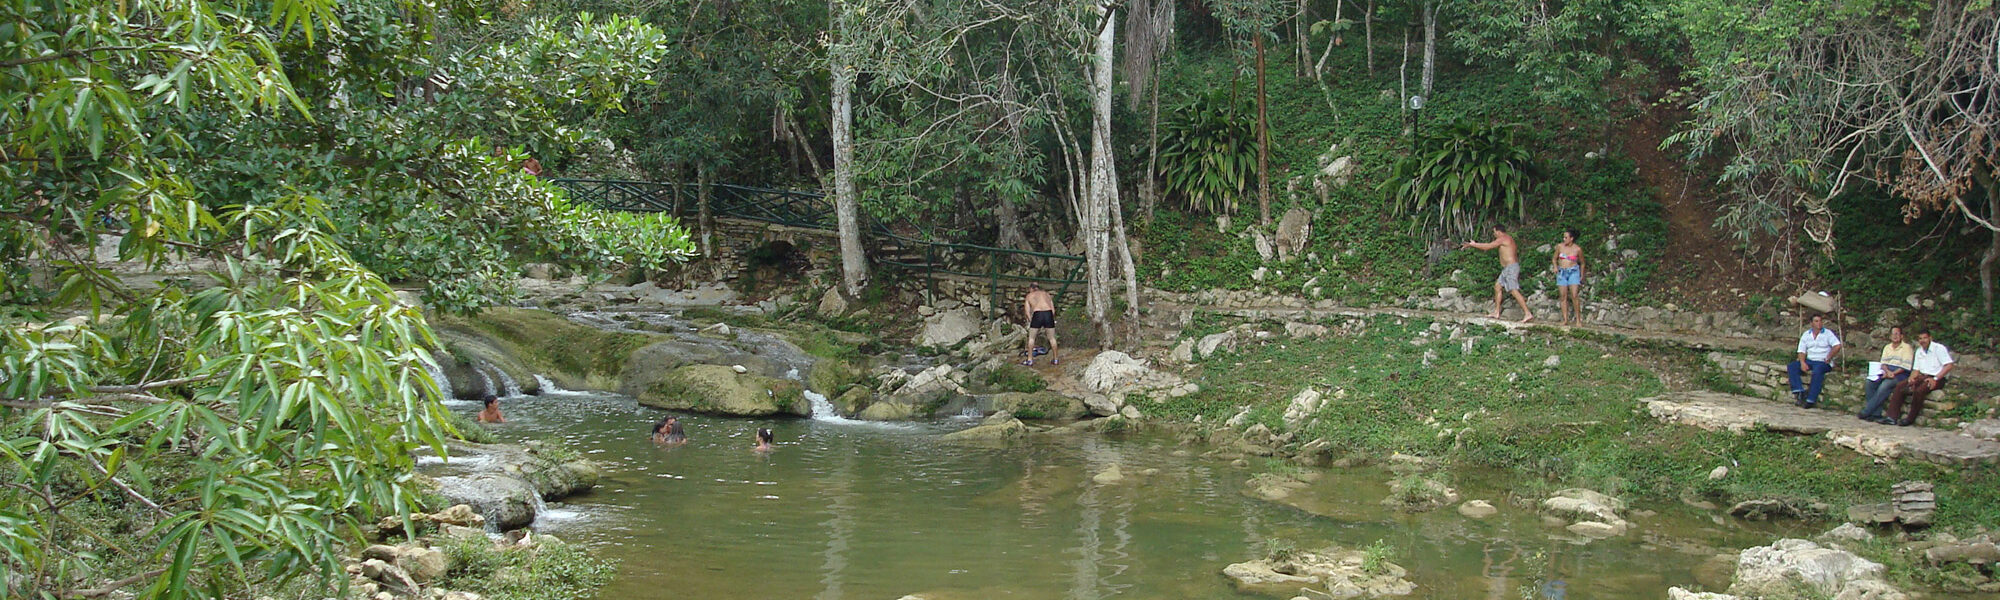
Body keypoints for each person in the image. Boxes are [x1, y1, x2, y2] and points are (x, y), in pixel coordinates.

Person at [1462, 224, 1535, 323]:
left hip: (1511, 268)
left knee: (1513, 290)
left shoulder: (1503, 238)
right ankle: (1496, 312)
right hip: (1506, 269)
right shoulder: (1507, 239)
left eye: (1494, 232)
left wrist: (1473, 244)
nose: (1494, 234)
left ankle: (1527, 313)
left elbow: (1487, 247)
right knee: (1497, 287)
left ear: (1498, 231)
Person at [1884, 330, 1954, 426]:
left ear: (1930, 338)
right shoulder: (1919, 351)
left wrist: (1936, 379)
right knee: (1900, 386)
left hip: (1937, 377)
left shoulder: (1939, 348)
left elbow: (1949, 365)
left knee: (1919, 391)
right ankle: (1891, 417)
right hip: (1923, 376)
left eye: (1925, 338)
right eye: (1920, 338)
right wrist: (1912, 378)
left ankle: (1910, 418)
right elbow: (1916, 369)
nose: (1922, 341)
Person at [1858, 326, 1914, 423]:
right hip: (1887, 371)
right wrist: (1887, 372)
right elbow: (1883, 363)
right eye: (1893, 334)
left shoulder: (1906, 348)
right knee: (1870, 383)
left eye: (1897, 334)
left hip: (1901, 373)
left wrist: (1893, 373)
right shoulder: (1887, 347)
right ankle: (1876, 414)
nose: (1895, 336)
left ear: (1901, 336)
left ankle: (1867, 411)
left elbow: (1905, 366)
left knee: (1885, 386)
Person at [1786, 314, 1843, 409]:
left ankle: (1811, 399)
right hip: (1810, 360)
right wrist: (1802, 362)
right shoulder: (1806, 334)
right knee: (1792, 366)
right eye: (1816, 321)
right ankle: (1799, 391)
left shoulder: (1827, 333)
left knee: (1817, 372)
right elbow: (1801, 350)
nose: (1819, 323)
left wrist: (1829, 356)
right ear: (1811, 323)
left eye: (1820, 321)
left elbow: (1837, 346)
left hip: (1823, 362)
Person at [1551, 228, 1585, 326]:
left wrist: (1581, 275)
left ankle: (1578, 319)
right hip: (1562, 272)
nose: (1564, 239)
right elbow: (1554, 258)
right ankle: (1565, 319)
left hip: (1573, 271)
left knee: (1574, 295)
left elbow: (1582, 263)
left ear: (1572, 238)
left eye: (1566, 237)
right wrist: (1555, 267)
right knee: (1563, 296)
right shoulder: (1560, 247)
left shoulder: (1577, 249)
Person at [1022, 283, 1059, 366]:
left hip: (1038, 313)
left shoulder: (1029, 296)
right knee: (1052, 338)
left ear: (1031, 289)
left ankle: (1030, 359)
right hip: (1048, 313)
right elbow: (1053, 310)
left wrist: (1032, 321)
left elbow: (1027, 312)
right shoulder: (1046, 294)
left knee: (1031, 338)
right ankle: (1056, 359)